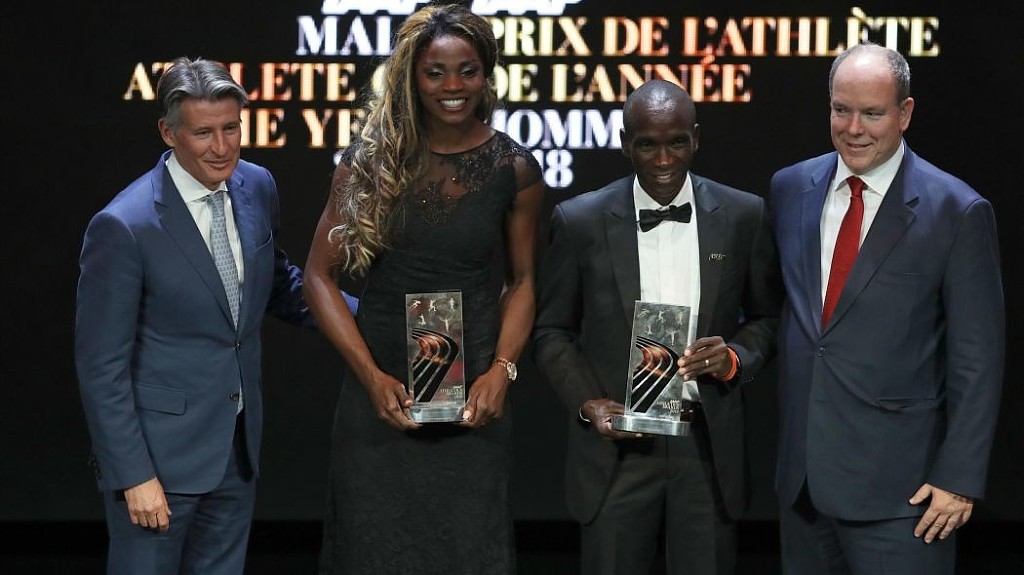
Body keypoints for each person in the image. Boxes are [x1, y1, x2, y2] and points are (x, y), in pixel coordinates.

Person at [302, 4, 544, 573]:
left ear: (487, 74)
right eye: (435, 72)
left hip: (473, 402)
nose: (452, 86)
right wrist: (371, 378)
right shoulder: (371, 161)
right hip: (381, 397)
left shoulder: (513, 168)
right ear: (412, 76)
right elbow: (319, 276)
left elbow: (523, 282)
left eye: (467, 70)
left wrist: (501, 372)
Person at [75, 56, 316, 574]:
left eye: (232, 128)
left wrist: (374, 316)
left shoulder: (257, 185)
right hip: (156, 466)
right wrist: (133, 475)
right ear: (169, 133)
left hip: (235, 452)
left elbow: (280, 286)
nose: (222, 147)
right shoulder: (125, 226)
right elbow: (101, 367)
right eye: (204, 133)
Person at [770, 42, 1005, 574]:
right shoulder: (790, 189)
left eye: (872, 114)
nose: (853, 128)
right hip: (803, 486)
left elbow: (978, 359)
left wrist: (959, 478)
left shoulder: (956, 211)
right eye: (841, 110)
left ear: (905, 113)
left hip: (905, 496)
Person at [533, 79, 782, 575]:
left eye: (677, 143)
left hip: (706, 448)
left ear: (696, 138)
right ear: (626, 143)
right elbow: (551, 332)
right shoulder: (580, 221)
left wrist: (734, 359)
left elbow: (768, 318)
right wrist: (588, 403)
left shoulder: (742, 215)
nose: (664, 160)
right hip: (618, 449)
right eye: (647, 144)